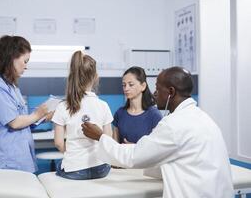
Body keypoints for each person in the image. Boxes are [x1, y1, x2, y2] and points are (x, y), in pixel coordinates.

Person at [82, 66, 233, 197]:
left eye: (158, 88)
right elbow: (172, 158)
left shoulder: (174, 125)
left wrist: (100, 136)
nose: (154, 93)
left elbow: (134, 156)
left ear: (171, 92)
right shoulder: (203, 118)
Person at [0, 35, 50, 173]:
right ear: (11, 57)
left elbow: (23, 119)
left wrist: (43, 117)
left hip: (21, 159)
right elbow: (14, 122)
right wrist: (38, 114)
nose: (26, 66)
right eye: (25, 61)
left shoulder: (12, 87)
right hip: (7, 161)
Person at [52, 50, 112, 180]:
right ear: (96, 77)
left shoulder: (63, 107)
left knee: (59, 165)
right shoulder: (103, 106)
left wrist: (72, 156)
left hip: (74, 169)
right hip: (101, 169)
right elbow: (108, 139)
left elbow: (58, 143)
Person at [113, 66, 162, 143]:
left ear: (143, 86)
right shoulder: (119, 113)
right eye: (124, 85)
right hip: (123, 155)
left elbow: (158, 148)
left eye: (131, 84)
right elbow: (114, 145)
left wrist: (134, 148)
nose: (126, 88)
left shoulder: (154, 115)